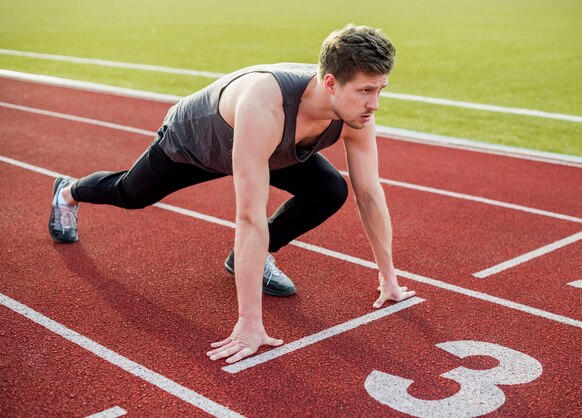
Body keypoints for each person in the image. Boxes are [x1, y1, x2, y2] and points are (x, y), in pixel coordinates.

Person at [48, 24, 416, 364]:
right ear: (331, 83)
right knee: (131, 193)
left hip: (270, 147)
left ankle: (253, 259)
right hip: (193, 146)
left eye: (380, 89)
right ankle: (70, 190)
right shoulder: (266, 104)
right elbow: (249, 216)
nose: (375, 104)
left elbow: (368, 194)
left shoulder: (355, 115)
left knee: (329, 189)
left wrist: (389, 279)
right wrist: (249, 322)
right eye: (366, 91)